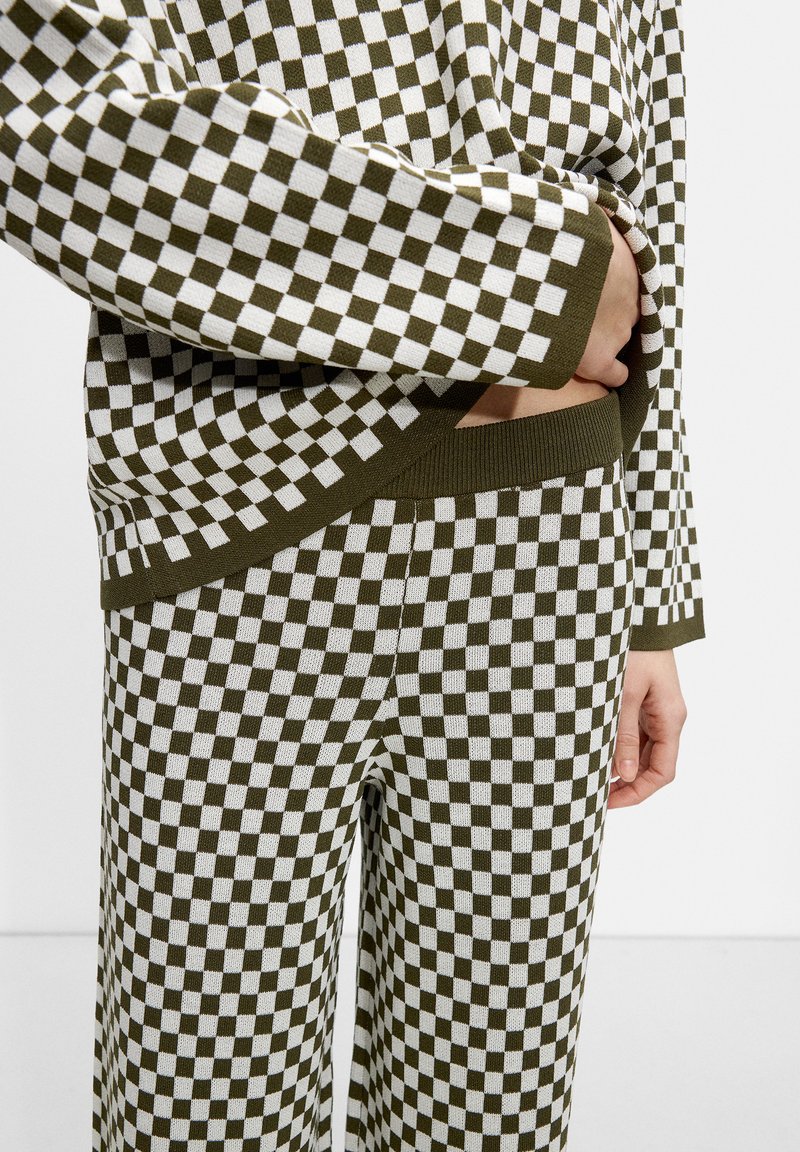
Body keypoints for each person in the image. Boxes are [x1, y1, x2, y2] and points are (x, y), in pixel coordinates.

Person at [0, 0, 705, 1148]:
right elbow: (58, 135)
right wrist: (540, 273)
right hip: (242, 540)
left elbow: (650, 211)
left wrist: (651, 599)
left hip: (555, 546)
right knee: (202, 1095)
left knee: (490, 1099)